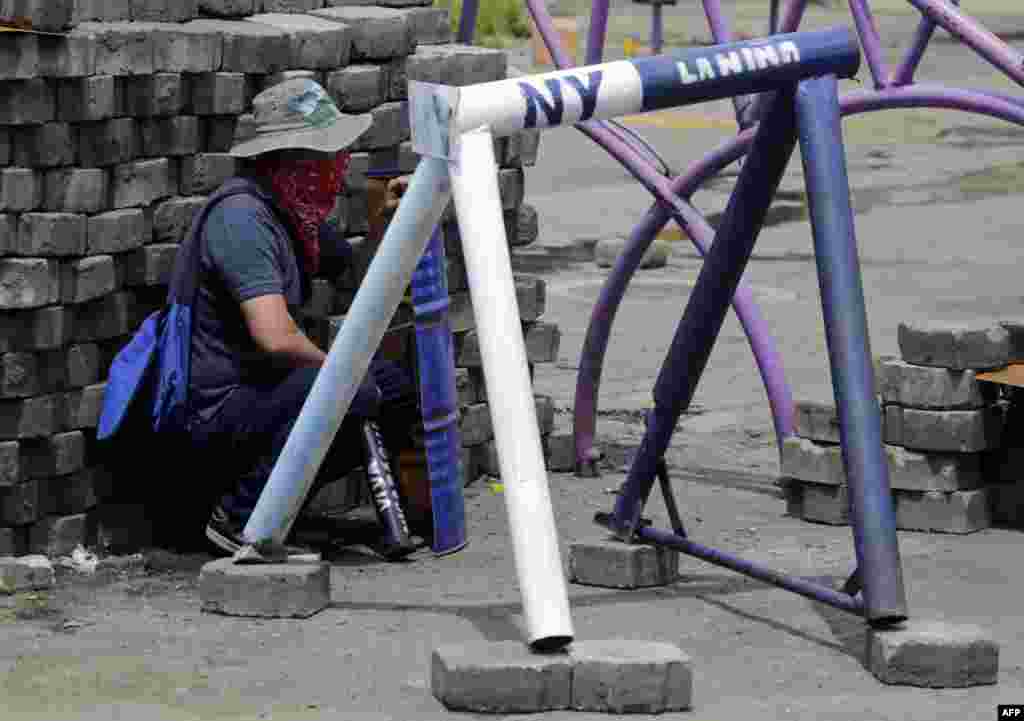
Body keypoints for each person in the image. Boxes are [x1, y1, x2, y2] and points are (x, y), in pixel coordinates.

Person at [177, 78, 418, 556]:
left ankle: (280, 505)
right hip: (218, 413)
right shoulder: (243, 218)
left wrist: (385, 224)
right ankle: (241, 522)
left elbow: (360, 285)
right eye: (324, 156)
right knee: (336, 387)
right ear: (288, 161)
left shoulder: (296, 216)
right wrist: (342, 375)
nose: (337, 166)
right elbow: (275, 337)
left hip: (266, 396)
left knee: (390, 388)